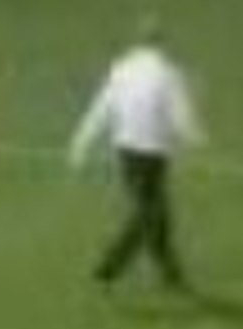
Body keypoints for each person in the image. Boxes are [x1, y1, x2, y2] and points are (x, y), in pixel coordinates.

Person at [69, 19, 205, 291]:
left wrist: (81, 143)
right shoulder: (168, 73)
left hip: (127, 150)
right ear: (161, 44)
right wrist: (195, 137)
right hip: (154, 153)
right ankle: (108, 269)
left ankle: (170, 274)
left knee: (156, 214)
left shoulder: (122, 69)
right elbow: (180, 113)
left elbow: (102, 106)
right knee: (149, 214)